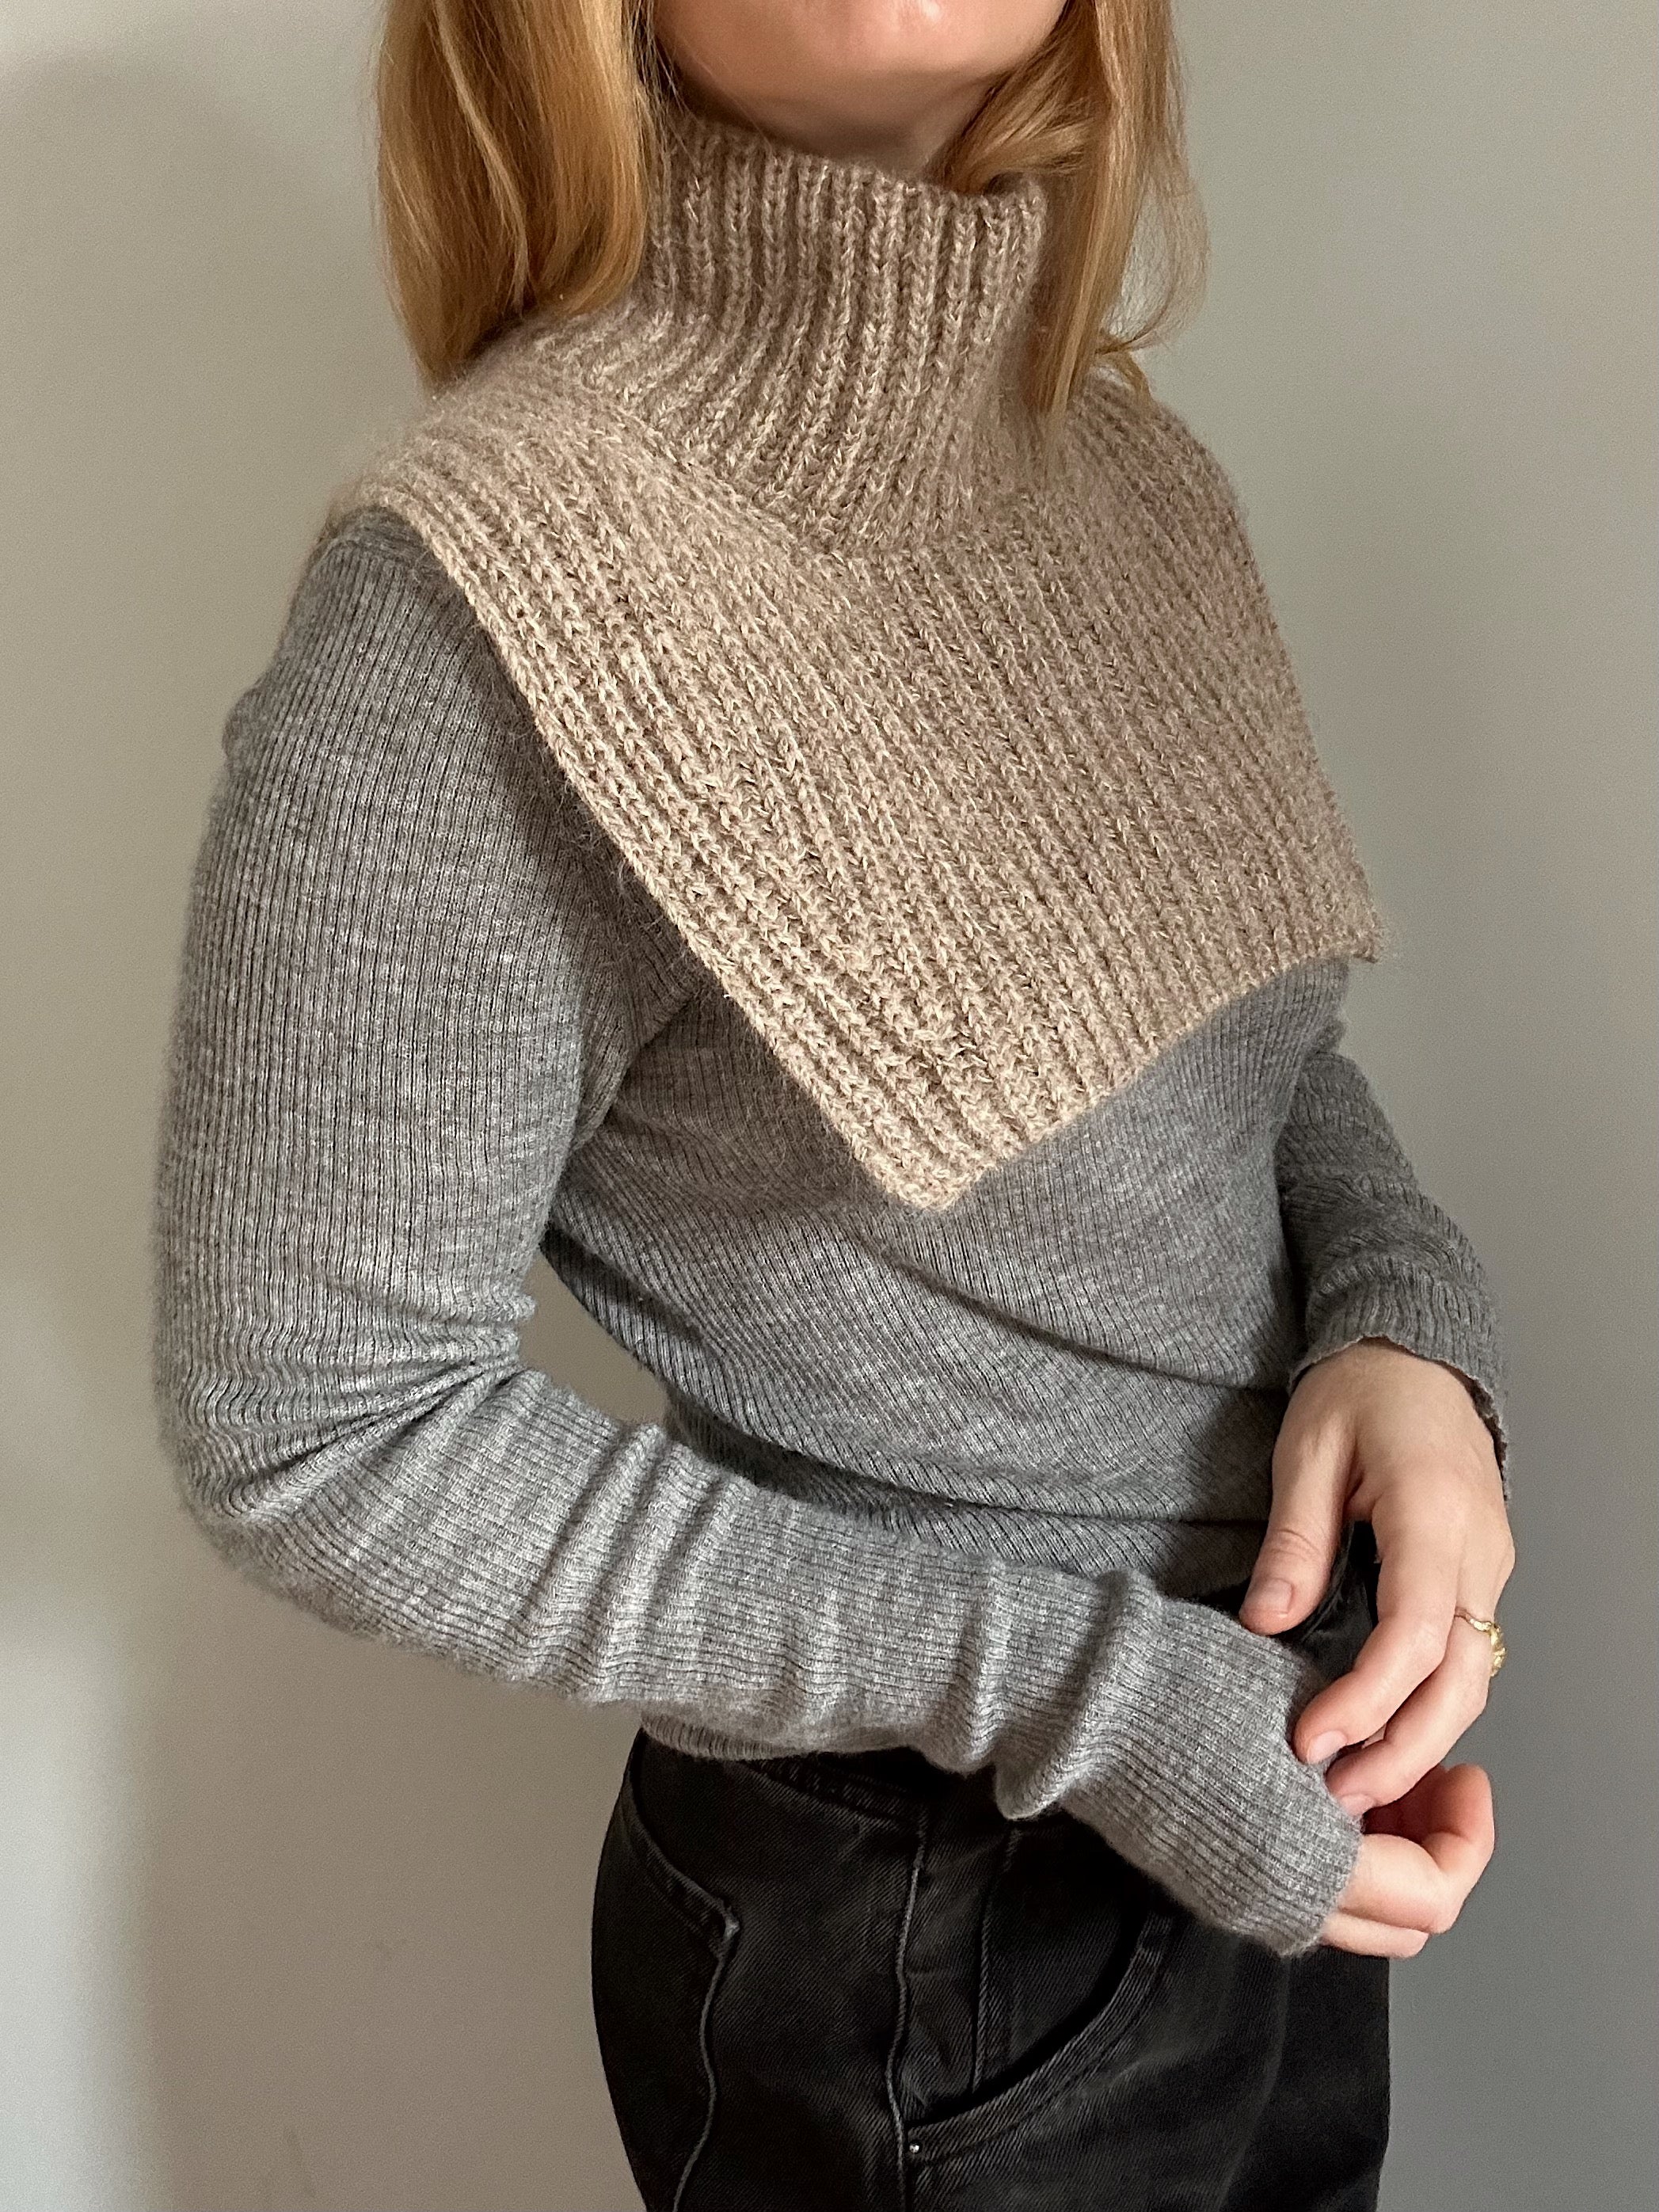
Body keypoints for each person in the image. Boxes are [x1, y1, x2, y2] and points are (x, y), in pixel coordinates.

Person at [149, 2, 1516, 2205]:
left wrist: (1404, 1333)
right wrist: (1093, 1699)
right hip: (929, 1927)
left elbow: (1266, 1067)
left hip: (1281, 1796)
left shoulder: (1133, 480)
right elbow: (317, 1433)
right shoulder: (472, 603)